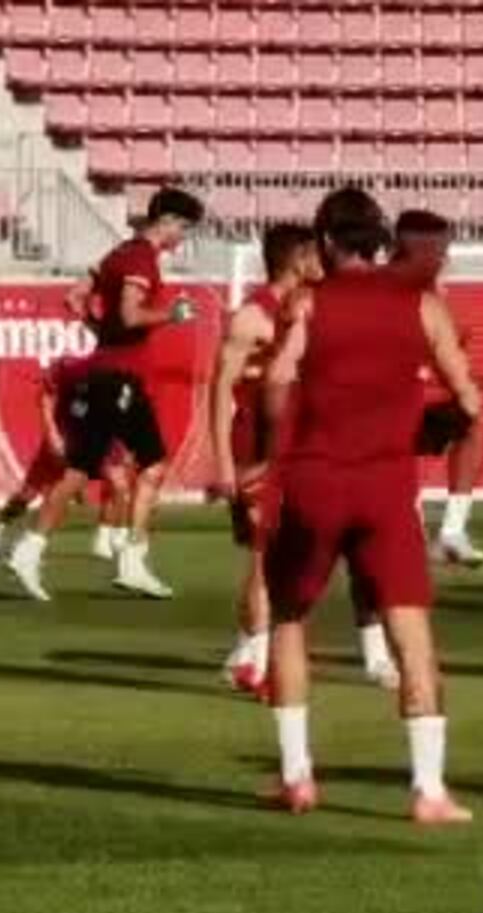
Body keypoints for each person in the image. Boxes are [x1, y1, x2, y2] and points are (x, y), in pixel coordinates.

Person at [260, 187, 481, 825]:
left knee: (290, 618)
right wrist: (433, 426)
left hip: (316, 477)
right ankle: (429, 790)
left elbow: (277, 382)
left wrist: (275, 450)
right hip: (388, 486)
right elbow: (469, 399)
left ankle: (298, 777)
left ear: (327, 242)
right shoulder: (423, 305)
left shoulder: (308, 302)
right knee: (411, 632)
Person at [4, 187, 204, 601]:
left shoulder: (120, 252)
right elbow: (131, 314)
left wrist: (100, 330)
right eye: (182, 228)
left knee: (108, 467)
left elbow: (74, 295)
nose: (182, 237)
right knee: (142, 466)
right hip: (119, 379)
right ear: (165, 220)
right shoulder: (141, 259)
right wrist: (173, 314)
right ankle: (121, 559)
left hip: (105, 372)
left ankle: (43, 550)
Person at [209, 224, 320, 695]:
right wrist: (223, 463)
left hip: (298, 445)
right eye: (315, 254)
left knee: (289, 556)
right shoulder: (252, 318)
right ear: (298, 259)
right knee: (263, 556)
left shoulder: (312, 310)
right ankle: (259, 664)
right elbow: (219, 391)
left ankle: (248, 651)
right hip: (255, 445)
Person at [390, 209, 483, 567]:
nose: (446, 259)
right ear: (416, 248)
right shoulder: (381, 289)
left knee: (475, 418)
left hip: (413, 406)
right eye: (440, 250)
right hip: (373, 414)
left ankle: (451, 531)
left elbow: (449, 360)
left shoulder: (434, 297)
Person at [0, 357, 131, 564]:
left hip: (100, 440)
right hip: (65, 438)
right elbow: (46, 396)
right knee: (28, 494)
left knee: (119, 484)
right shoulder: (72, 367)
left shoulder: (128, 375)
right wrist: (52, 434)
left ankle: (106, 538)